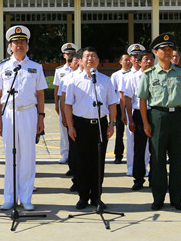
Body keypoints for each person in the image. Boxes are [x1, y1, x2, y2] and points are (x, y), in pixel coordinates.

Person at [0, 25, 47, 211]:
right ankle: (10, 197)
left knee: (28, 156)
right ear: (10, 46)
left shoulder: (35, 67)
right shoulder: (2, 66)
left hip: (29, 113)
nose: (19, 45)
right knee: (10, 155)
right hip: (9, 113)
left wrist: (41, 118)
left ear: (27, 45)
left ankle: (26, 197)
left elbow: (40, 94)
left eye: (23, 42)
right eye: (16, 42)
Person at [138, 33, 181, 211]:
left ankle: (177, 198)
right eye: (164, 49)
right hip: (157, 116)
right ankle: (158, 197)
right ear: (156, 52)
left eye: (170, 49)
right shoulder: (149, 74)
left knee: (177, 159)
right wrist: (145, 123)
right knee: (158, 159)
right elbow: (143, 100)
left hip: (177, 117)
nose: (168, 52)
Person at [63, 46, 118, 211]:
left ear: (98, 61)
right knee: (81, 162)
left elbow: (112, 103)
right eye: (87, 56)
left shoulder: (105, 80)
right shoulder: (73, 80)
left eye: (93, 56)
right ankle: (83, 196)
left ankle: (96, 196)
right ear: (80, 60)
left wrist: (112, 123)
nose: (90, 59)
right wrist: (70, 126)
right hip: (80, 125)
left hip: (100, 124)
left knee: (98, 161)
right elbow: (68, 105)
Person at [122, 51, 154, 190]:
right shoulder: (133, 78)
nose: (149, 62)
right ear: (139, 62)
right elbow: (128, 99)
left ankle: (155, 178)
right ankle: (138, 179)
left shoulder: (158, 76)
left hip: (155, 113)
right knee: (139, 148)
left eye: (151, 59)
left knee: (156, 149)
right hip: (139, 115)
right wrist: (130, 119)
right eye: (146, 59)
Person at [122, 43, 148, 178]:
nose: (137, 59)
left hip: (151, 112)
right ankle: (132, 168)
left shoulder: (153, 75)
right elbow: (125, 98)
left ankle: (146, 168)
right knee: (133, 143)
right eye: (134, 56)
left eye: (139, 56)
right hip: (135, 112)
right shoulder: (129, 76)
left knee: (149, 146)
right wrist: (126, 115)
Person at [53, 43, 78, 166]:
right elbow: (56, 88)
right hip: (63, 102)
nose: (69, 55)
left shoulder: (79, 69)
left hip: (76, 103)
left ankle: (74, 154)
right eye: (67, 54)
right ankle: (65, 153)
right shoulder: (59, 70)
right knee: (63, 129)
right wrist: (56, 104)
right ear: (64, 55)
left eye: (72, 53)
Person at [110, 53, 132, 163]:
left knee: (132, 132)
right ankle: (118, 155)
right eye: (125, 60)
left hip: (132, 105)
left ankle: (132, 155)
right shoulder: (116, 75)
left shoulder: (134, 74)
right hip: (119, 106)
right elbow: (112, 92)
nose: (128, 62)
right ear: (120, 62)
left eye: (129, 60)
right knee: (119, 131)